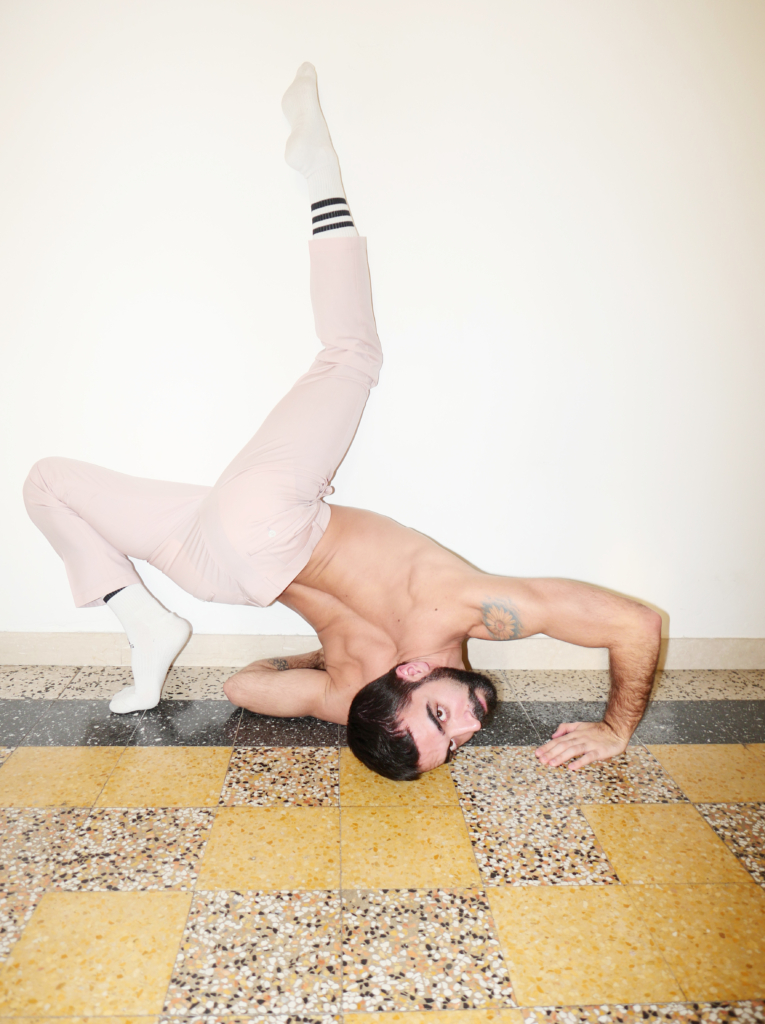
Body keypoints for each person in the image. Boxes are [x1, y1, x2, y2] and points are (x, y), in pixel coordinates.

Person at [23, 64, 661, 780]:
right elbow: (243, 687)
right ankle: (143, 618)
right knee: (47, 484)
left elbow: (638, 625)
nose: (469, 725)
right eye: (452, 740)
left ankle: (321, 176)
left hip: (264, 530)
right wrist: (326, 665)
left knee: (351, 353)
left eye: (441, 720)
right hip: (217, 572)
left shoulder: (460, 607)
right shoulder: (350, 698)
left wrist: (617, 728)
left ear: (412, 672)